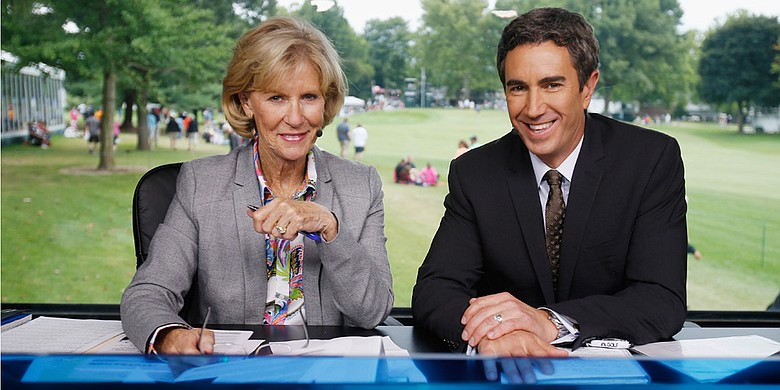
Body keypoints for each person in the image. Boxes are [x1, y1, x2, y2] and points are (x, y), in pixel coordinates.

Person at [412, 7, 687, 357]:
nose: (533, 108)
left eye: (552, 85)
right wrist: (491, 335)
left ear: (588, 87)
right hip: (508, 377)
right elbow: (436, 290)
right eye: (518, 88)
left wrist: (552, 322)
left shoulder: (649, 159)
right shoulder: (475, 172)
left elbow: (661, 298)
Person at [121, 16, 393, 355]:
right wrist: (169, 336)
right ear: (247, 102)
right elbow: (147, 293)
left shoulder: (361, 185)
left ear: (326, 103)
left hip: (325, 374)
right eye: (277, 98)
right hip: (233, 374)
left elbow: (374, 311)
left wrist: (330, 228)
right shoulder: (200, 183)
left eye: (309, 97)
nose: (295, 117)